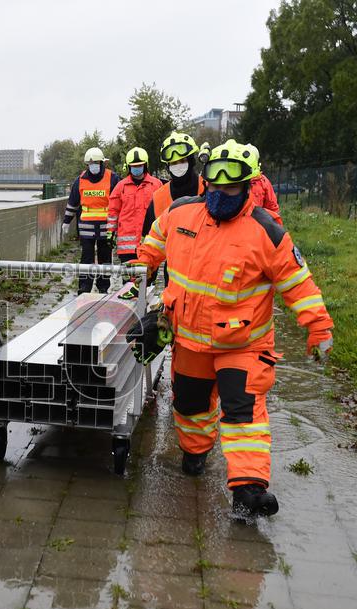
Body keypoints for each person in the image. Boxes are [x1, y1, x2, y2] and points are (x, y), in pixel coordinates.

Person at [125, 139, 334, 518]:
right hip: (188, 340)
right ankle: (195, 453)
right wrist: (140, 270)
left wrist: (318, 326)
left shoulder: (266, 231)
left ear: (249, 185)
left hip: (244, 345)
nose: (221, 192)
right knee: (190, 406)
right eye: (215, 183)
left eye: (231, 185)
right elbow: (154, 242)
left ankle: (249, 490)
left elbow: (298, 284)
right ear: (205, 179)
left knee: (244, 415)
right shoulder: (181, 213)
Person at [61, 147, 120, 293]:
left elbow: (119, 201)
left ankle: (103, 287)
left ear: (102, 163)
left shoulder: (113, 178)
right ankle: (84, 287)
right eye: (90, 163)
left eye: (96, 163)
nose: (93, 166)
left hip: (106, 228)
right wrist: (66, 221)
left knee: (105, 259)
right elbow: (72, 203)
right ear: (87, 164)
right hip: (86, 229)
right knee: (86, 259)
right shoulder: (80, 181)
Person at [142, 132, 205, 239]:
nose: (178, 166)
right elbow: (149, 240)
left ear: (191, 161)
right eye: (173, 163)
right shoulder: (158, 198)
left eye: (182, 161)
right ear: (168, 166)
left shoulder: (210, 189)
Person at [106, 146, 163, 264]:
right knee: (129, 280)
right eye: (133, 166)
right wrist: (110, 232)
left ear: (145, 165)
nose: (136, 168)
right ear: (128, 166)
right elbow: (113, 211)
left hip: (150, 243)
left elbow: (163, 212)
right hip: (126, 247)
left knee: (148, 279)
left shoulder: (156, 185)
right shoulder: (120, 187)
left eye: (139, 165)